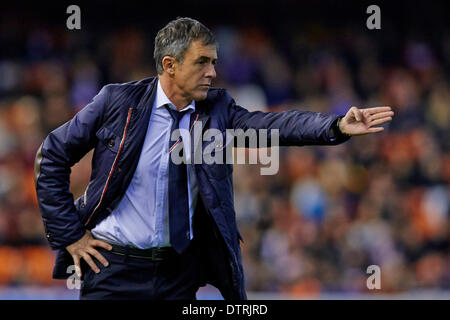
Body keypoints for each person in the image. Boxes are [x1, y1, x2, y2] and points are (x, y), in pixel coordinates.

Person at [34, 17, 394, 300]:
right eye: (202, 62)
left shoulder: (218, 109)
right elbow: (51, 156)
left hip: (178, 274)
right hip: (113, 271)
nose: (213, 71)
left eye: (214, 62)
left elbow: (272, 125)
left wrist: (335, 126)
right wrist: (71, 236)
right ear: (170, 64)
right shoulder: (118, 102)